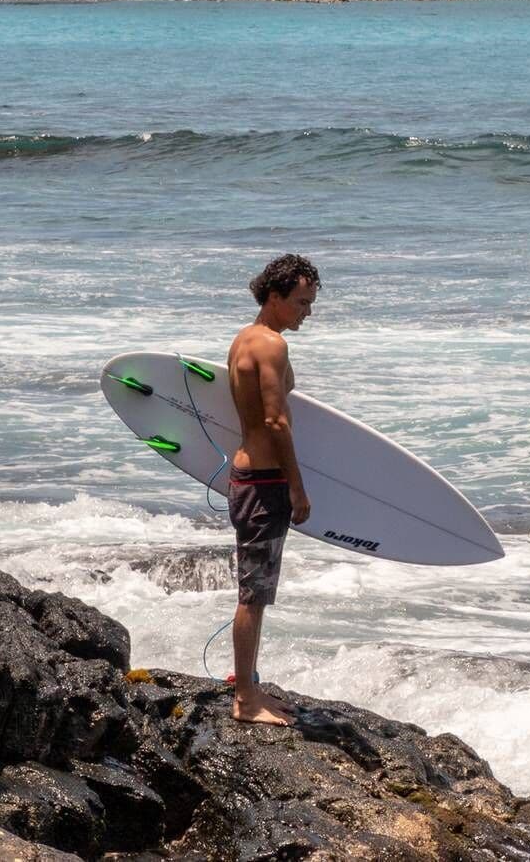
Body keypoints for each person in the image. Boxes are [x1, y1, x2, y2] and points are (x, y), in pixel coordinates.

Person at [225, 253, 318, 725]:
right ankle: (245, 698)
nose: (307, 312)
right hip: (265, 482)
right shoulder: (272, 347)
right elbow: (276, 421)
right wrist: (297, 489)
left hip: (245, 476)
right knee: (254, 593)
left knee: (253, 589)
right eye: (301, 302)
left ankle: (247, 682)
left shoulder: (244, 338)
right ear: (275, 296)